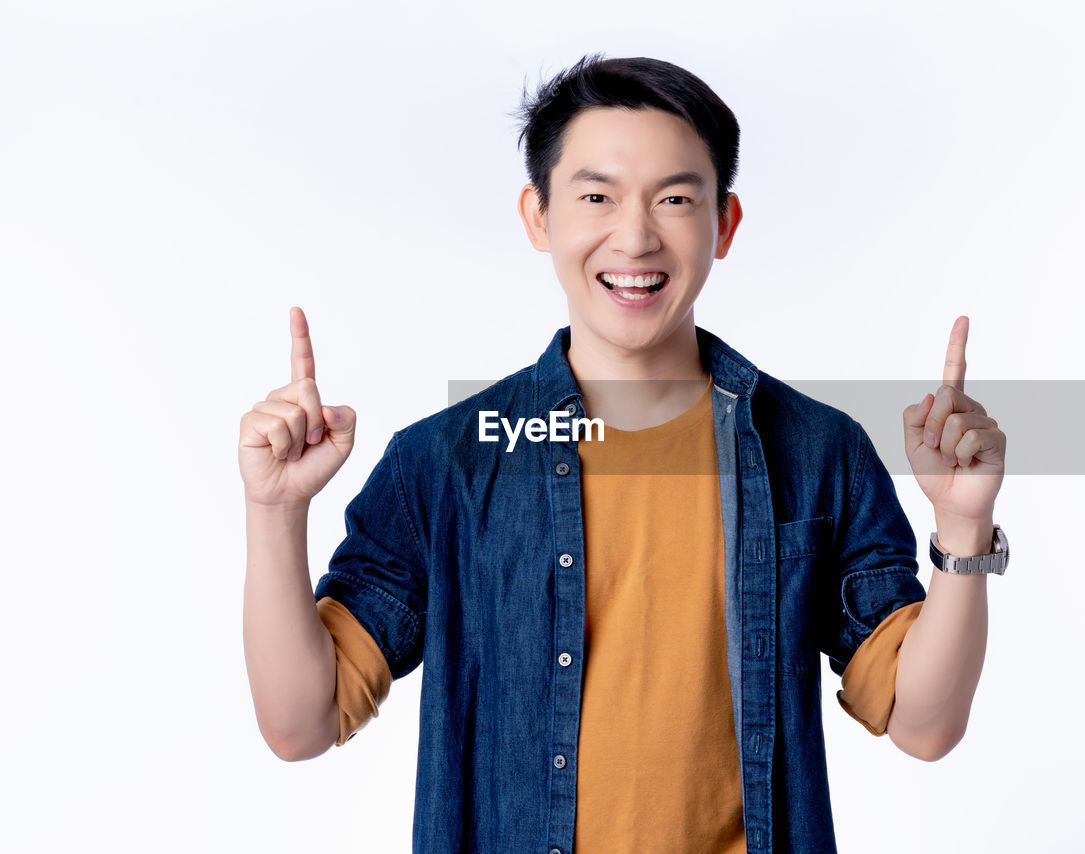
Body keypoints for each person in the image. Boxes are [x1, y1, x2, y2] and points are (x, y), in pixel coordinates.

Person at [239, 54, 1008, 854]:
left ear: (725, 223)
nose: (636, 236)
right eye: (597, 197)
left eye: (676, 199)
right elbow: (302, 723)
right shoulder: (449, 464)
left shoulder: (815, 451)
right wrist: (274, 511)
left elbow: (924, 726)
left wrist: (962, 527)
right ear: (539, 217)